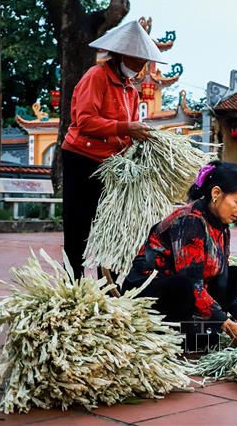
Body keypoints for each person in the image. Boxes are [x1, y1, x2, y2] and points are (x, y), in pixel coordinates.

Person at [61, 21, 166, 279]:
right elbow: (84, 121)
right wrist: (125, 128)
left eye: (144, 61)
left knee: (108, 225)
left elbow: (127, 129)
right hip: (81, 158)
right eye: (138, 59)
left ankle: (107, 285)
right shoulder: (96, 76)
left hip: (111, 165)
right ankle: (73, 284)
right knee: (78, 224)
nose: (141, 66)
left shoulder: (131, 89)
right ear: (120, 53)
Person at [122, 161, 237, 351]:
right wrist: (225, 322)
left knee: (234, 275)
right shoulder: (190, 220)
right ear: (216, 194)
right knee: (183, 287)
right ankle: (174, 333)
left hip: (188, 293)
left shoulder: (222, 227)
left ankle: (196, 329)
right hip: (151, 290)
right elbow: (191, 282)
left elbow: (220, 275)